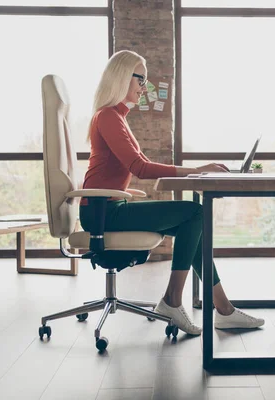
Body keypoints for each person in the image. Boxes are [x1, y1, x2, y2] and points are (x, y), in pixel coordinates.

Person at [79, 50, 264, 335]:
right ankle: (173, 301)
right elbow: (139, 167)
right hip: (103, 213)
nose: (144, 87)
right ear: (122, 76)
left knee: (194, 224)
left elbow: (136, 166)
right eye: (141, 78)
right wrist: (197, 169)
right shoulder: (107, 116)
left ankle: (224, 309)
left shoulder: (117, 117)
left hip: (109, 209)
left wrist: (197, 170)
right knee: (195, 212)